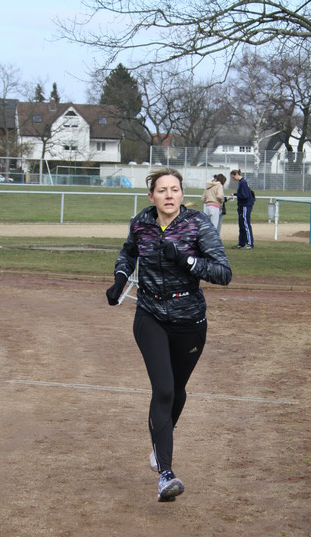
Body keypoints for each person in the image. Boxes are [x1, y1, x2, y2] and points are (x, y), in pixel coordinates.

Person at [106, 166, 232, 502]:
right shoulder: (141, 223)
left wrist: (186, 260)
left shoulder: (197, 224)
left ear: (182, 194)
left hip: (190, 320)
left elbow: (223, 272)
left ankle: (159, 446)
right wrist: (120, 279)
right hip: (150, 315)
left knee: (177, 391)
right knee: (163, 390)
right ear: (152, 196)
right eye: (162, 190)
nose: (169, 195)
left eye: (174, 190)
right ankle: (166, 474)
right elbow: (128, 252)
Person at [229, 168, 254, 249]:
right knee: (241, 225)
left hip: (245, 205)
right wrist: (235, 194)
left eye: (233, 177)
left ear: (237, 174)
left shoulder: (243, 182)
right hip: (241, 206)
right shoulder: (241, 182)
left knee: (246, 224)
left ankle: (249, 243)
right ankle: (241, 243)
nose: (233, 179)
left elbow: (245, 195)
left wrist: (236, 195)